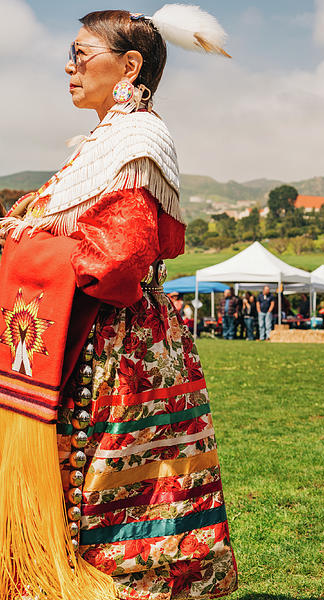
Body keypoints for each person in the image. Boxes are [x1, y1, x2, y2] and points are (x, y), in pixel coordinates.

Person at [0, 7, 237, 599]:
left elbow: (118, 258)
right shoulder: (103, 140)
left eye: (82, 55)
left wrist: (30, 243)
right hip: (97, 328)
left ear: (129, 65)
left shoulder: (137, 138)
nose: (69, 66)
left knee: (110, 478)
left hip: (118, 339)